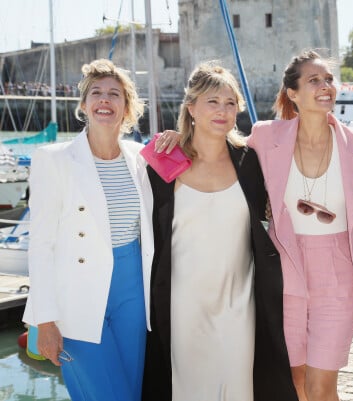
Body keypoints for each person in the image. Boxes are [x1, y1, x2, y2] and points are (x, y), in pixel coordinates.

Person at [141, 62, 298, 401]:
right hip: (182, 305)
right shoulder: (162, 160)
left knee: (238, 388)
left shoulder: (250, 161)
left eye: (230, 103)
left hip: (239, 303)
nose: (223, 111)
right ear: (191, 107)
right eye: (213, 101)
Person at [22, 58, 154, 401]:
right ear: (84, 104)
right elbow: (41, 246)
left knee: (132, 391)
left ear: (127, 107)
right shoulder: (53, 159)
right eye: (96, 93)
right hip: (75, 297)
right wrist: (45, 320)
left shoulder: (141, 158)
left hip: (133, 292)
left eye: (114, 94)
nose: (104, 99)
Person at [247, 50, 353, 401]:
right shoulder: (264, 136)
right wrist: (173, 140)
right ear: (292, 93)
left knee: (321, 388)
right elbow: (217, 154)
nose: (325, 86)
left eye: (329, 80)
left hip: (339, 272)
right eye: (314, 80)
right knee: (294, 381)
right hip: (285, 269)